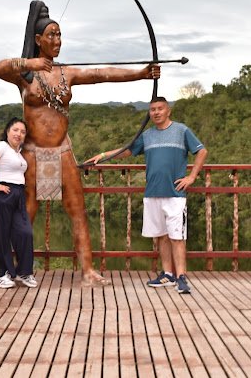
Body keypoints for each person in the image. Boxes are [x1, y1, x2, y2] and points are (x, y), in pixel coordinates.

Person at [0, 0, 160, 286]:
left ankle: (88, 270)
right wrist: (30, 63)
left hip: (62, 151)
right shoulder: (24, 75)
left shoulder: (67, 72)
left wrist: (141, 73)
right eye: (51, 35)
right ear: (38, 40)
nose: (57, 40)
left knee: (76, 209)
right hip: (33, 153)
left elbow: (101, 73)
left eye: (59, 34)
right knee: (26, 212)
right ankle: (18, 270)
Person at [86, 96, 208, 294]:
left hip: (175, 193)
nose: (156, 112)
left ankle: (182, 277)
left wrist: (192, 176)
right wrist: (102, 155)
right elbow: (126, 151)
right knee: (161, 236)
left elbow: (201, 151)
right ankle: (168, 275)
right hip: (152, 193)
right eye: (152, 110)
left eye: (160, 108)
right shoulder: (148, 135)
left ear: (168, 111)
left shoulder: (181, 130)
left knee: (177, 236)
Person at [0, 117, 37, 289]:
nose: (19, 134)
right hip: (2, 195)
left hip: (18, 195)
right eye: (16, 130)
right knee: (1, 236)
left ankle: (23, 272)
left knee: (25, 232)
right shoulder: (1, 146)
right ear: (7, 131)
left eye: (23, 132)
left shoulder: (18, 153)